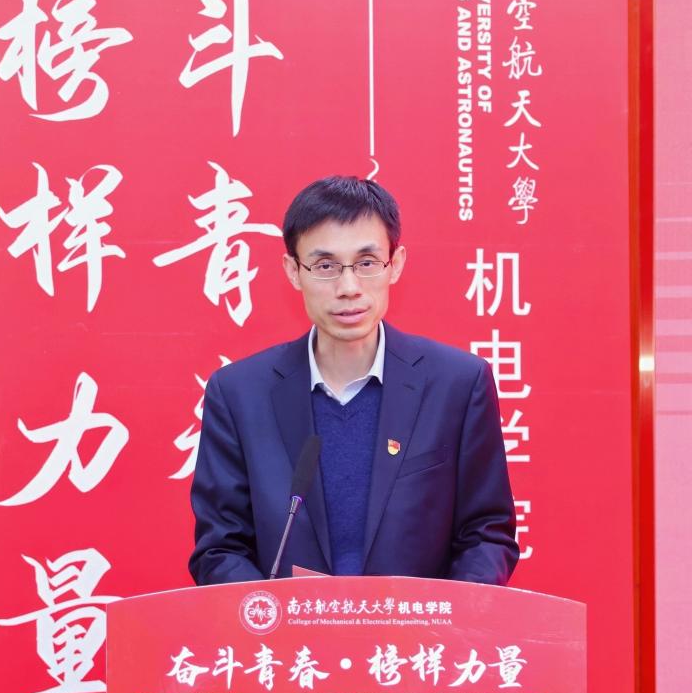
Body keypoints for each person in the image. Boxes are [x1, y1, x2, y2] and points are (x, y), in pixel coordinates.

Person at [188, 175, 518, 585]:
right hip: (289, 627)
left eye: (366, 263)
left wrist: (449, 616)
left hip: (416, 627)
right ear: (293, 271)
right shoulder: (239, 393)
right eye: (325, 266)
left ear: (395, 264)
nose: (348, 288)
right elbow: (220, 548)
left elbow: (486, 536)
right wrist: (274, 615)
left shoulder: (458, 383)